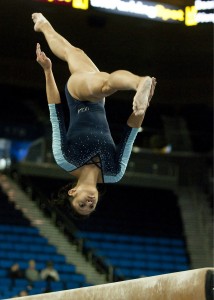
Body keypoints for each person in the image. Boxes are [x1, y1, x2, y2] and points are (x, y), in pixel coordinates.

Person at [32, 13, 157, 219]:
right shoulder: (114, 172)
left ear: (72, 192)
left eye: (81, 204)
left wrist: (48, 71)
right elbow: (130, 133)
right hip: (98, 100)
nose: (89, 203)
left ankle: (139, 82)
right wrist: (143, 107)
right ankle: (44, 25)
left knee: (107, 84)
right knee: (74, 53)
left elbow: (56, 114)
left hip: (77, 95)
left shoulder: (66, 159)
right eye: (91, 207)